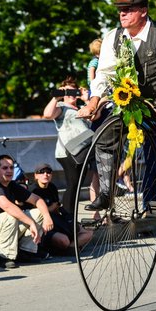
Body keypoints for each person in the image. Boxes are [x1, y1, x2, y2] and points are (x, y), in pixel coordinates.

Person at [77, 0, 156, 226]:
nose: (122, 14)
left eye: (128, 10)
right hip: (129, 102)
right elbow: (105, 72)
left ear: (143, 11)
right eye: (120, 10)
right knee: (104, 139)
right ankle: (107, 193)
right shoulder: (113, 36)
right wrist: (94, 99)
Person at [0, 155, 53, 269]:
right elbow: (8, 207)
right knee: (10, 215)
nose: (9, 171)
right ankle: (5, 257)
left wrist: (47, 216)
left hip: (2, 229)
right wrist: (31, 223)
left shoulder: (12, 185)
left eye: (11, 168)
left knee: (39, 213)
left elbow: (37, 199)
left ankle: (26, 252)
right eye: (5, 168)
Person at [42, 77, 92, 215]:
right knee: (73, 185)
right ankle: (68, 217)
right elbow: (47, 114)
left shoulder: (83, 108)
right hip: (68, 152)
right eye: (67, 92)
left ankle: (71, 218)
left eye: (74, 91)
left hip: (83, 151)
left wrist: (87, 100)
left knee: (77, 186)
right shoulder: (61, 107)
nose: (71, 94)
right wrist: (56, 98)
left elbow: (95, 119)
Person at [28, 163, 92, 253]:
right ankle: (70, 247)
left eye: (48, 172)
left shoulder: (52, 187)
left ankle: (71, 248)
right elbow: (37, 213)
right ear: (36, 175)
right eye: (41, 172)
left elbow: (57, 209)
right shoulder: (33, 190)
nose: (46, 174)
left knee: (88, 233)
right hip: (43, 225)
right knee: (64, 240)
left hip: (57, 221)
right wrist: (52, 207)